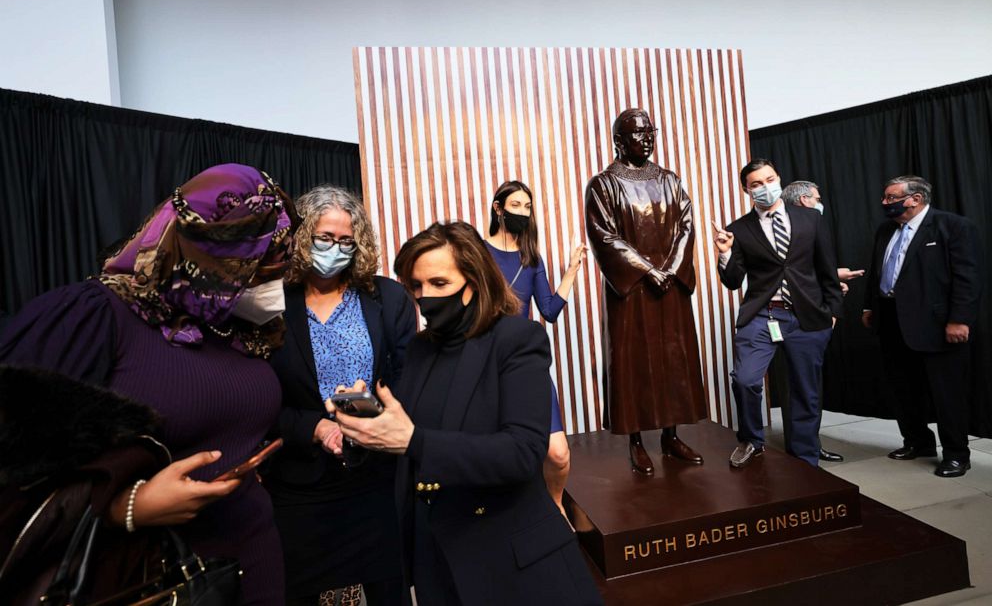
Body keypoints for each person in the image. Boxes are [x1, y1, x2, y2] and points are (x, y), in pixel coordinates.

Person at [0, 163, 296, 604]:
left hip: (252, 562)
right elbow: (14, 470)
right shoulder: (92, 317)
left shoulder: (234, 325)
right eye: (256, 272)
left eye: (278, 271)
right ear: (204, 257)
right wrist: (126, 508)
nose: (272, 286)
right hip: (147, 578)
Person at [333, 222, 603, 605]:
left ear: (473, 283)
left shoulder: (516, 340)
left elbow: (522, 452)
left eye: (439, 284)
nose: (425, 297)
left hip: (514, 565)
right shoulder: (421, 349)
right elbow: (407, 440)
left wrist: (414, 440)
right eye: (416, 286)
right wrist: (364, 429)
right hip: (439, 565)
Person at [264, 186, 415, 605]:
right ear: (301, 237)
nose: (335, 248)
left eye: (346, 241)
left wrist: (372, 407)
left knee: (386, 589)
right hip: (299, 485)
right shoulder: (272, 302)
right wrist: (313, 427)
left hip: (376, 477)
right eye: (324, 238)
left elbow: (407, 379)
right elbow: (259, 397)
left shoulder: (387, 298)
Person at [585, 108, 709, 475]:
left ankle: (671, 437)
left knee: (673, 360)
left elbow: (687, 226)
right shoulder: (603, 184)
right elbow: (603, 236)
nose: (647, 139)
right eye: (638, 134)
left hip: (670, 286)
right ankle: (636, 442)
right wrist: (646, 270)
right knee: (633, 364)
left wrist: (669, 269)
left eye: (650, 131)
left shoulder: (670, 180)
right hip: (633, 290)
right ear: (619, 140)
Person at [714, 158, 843, 468]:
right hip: (762, 315)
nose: (765, 187)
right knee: (745, 379)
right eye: (756, 184)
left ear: (779, 179)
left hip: (806, 316)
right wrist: (725, 253)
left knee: (805, 391)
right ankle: (751, 440)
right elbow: (733, 281)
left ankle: (805, 460)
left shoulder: (810, 218)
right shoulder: (737, 229)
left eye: (769, 179)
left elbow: (827, 268)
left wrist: (832, 312)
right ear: (746, 190)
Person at [862, 175, 982, 478]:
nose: (885, 203)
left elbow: (968, 278)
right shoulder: (885, 230)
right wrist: (869, 306)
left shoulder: (952, 226)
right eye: (885, 197)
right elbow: (878, 269)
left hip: (938, 324)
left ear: (915, 198)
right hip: (891, 320)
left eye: (891, 197)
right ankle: (918, 442)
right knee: (904, 388)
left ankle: (956, 454)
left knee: (947, 393)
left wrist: (960, 319)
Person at [484, 180, 586, 514]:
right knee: (501, 454)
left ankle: (554, 506)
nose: (523, 213)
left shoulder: (531, 259)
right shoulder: (477, 253)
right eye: (516, 205)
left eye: (527, 207)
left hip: (525, 364)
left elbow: (550, 311)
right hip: (486, 364)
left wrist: (571, 270)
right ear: (498, 208)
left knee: (557, 453)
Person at [782, 179, 865, 463]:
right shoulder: (785, 226)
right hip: (798, 318)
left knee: (806, 387)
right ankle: (803, 452)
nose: (820, 202)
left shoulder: (809, 223)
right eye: (816, 197)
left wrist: (831, 283)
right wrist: (829, 287)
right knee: (804, 388)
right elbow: (789, 275)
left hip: (812, 314)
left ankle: (806, 447)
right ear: (804, 199)